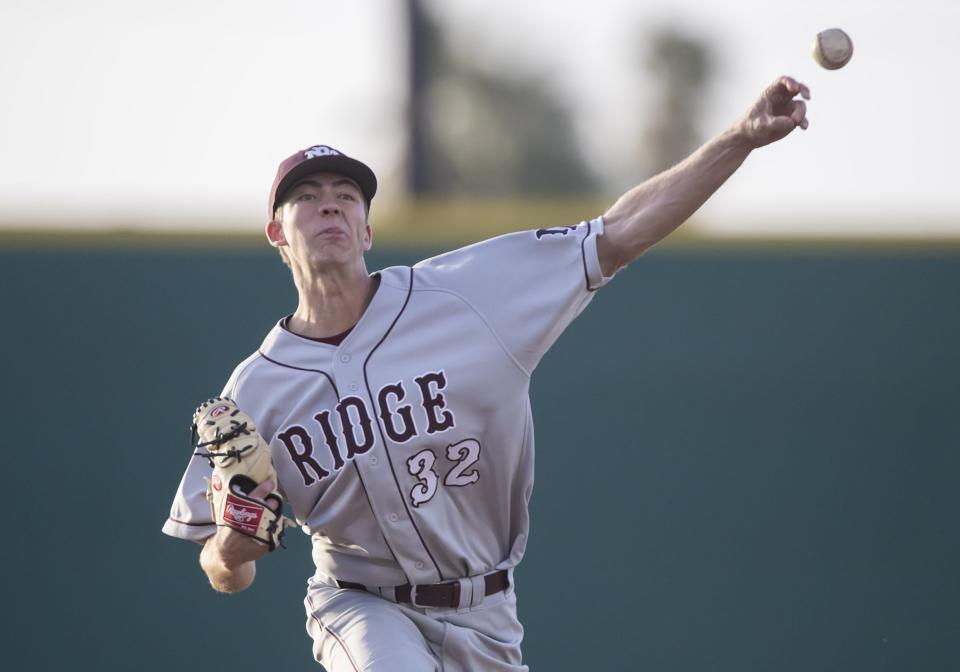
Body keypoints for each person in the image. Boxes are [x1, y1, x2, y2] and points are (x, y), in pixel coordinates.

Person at [163, 76, 811, 671]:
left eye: (346, 196)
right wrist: (232, 546)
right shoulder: (256, 389)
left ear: (366, 228)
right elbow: (221, 569)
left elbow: (616, 234)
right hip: (361, 606)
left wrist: (740, 139)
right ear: (276, 231)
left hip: (488, 612)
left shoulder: (466, 298)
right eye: (307, 197)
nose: (329, 206)